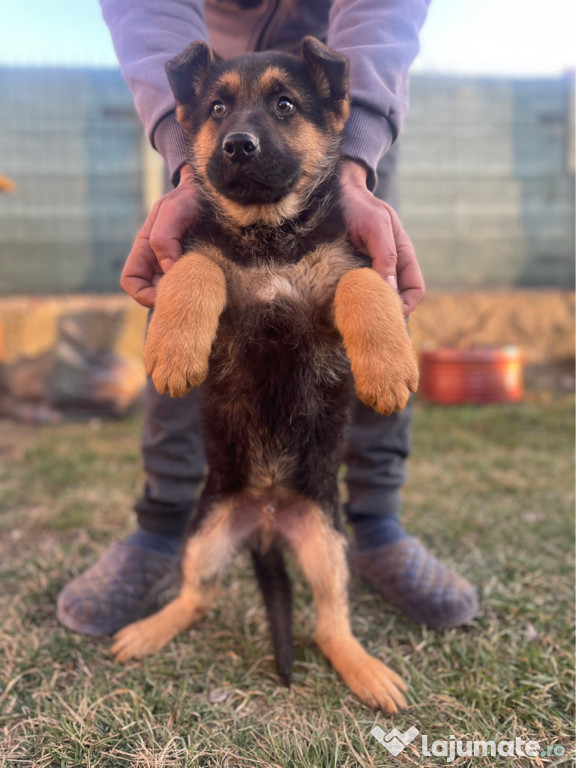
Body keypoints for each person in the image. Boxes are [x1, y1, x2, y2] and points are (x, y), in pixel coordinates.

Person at [57, 0, 478, 637]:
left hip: (349, 70)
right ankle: (163, 523)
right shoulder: (205, 117)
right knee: (185, 282)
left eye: (276, 109)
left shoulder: (336, 102)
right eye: (222, 115)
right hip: (212, 46)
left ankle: (376, 524)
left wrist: (356, 150)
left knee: (371, 281)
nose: (241, 131)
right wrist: (184, 159)